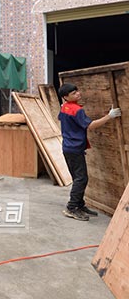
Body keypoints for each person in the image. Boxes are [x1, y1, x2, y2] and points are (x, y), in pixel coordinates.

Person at [58, 83, 121, 221]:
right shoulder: (76, 110)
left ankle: (79, 205)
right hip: (75, 149)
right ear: (65, 97)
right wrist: (109, 116)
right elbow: (90, 125)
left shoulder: (64, 107)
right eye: (74, 93)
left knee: (78, 178)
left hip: (68, 147)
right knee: (81, 179)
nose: (78, 93)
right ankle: (71, 208)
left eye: (77, 91)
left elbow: (61, 118)